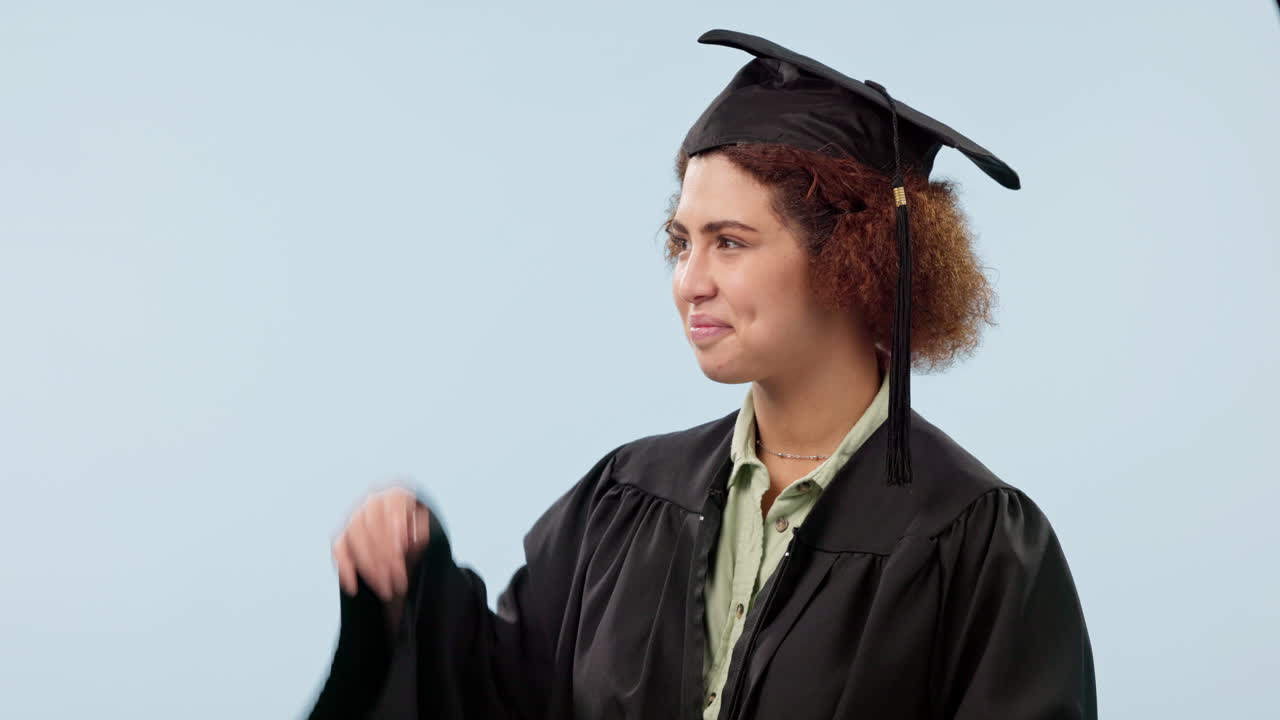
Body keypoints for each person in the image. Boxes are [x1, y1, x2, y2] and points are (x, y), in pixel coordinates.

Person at [306, 28, 1097, 720]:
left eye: (730, 241)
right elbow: (501, 692)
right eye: (680, 241)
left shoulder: (973, 541)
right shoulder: (627, 500)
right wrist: (410, 583)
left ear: (855, 263)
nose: (690, 280)